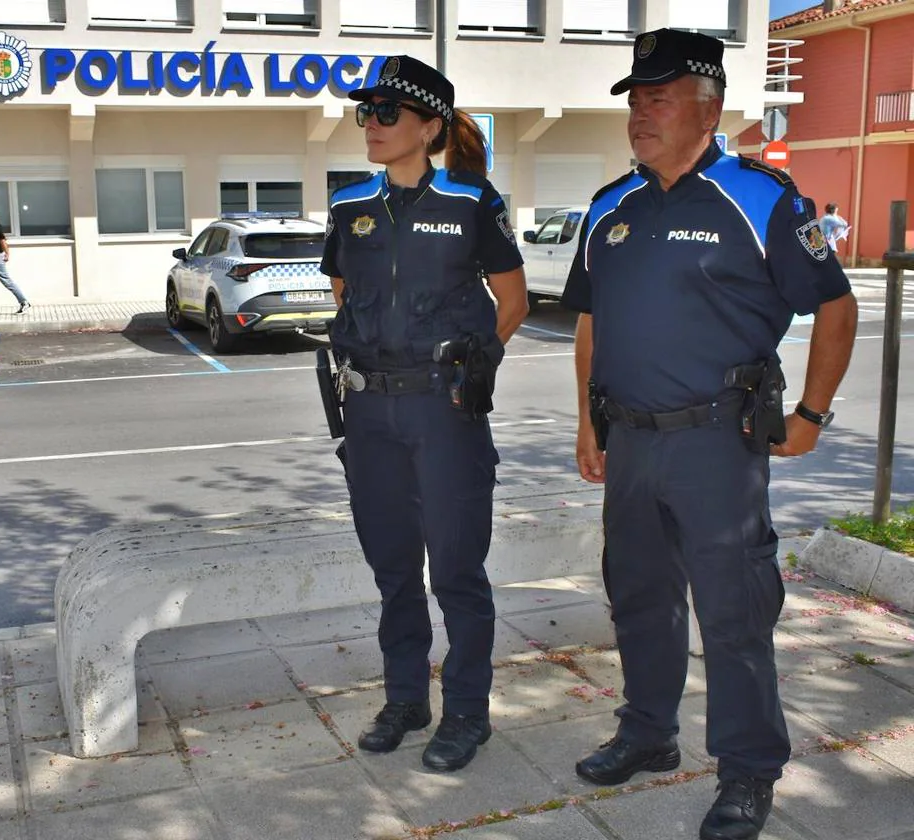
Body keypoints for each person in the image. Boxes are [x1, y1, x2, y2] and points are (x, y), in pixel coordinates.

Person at [561, 29, 858, 840]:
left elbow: (836, 306)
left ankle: (748, 769)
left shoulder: (761, 198)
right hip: (630, 441)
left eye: (659, 97)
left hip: (718, 446)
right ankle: (648, 732)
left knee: (735, 611)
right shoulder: (608, 206)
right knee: (639, 599)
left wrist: (812, 417)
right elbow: (592, 320)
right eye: (635, 98)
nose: (640, 113)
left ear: (709, 106)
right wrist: (589, 419)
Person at [321, 55, 529, 772]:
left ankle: (467, 713)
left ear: (429, 126)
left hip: (444, 413)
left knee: (457, 572)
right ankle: (406, 697)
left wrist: (478, 363)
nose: (371, 126)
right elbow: (346, 291)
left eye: (387, 114)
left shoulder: (472, 202)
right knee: (392, 568)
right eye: (366, 113)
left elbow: (514, 301)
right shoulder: (350, 206)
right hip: (371, 413)